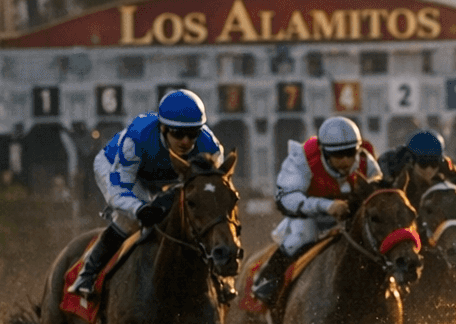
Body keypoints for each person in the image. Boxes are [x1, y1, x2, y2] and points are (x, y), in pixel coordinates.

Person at [71, 88, 223, 298]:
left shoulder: (211, 148)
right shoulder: (138, 138)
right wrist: (139, 209)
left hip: (163, 177)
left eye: (192, 133)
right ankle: (87, 275)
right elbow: (118, 191)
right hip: (117, 170)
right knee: (131, 220)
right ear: (163, 128)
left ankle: (219, 278)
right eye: (178, 134)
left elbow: (211, 192)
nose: (186, 141)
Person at [250, 116, 383, 307]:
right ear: (323, 152)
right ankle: (267, 281)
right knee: (300, 237)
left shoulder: (366, 162)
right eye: (338, 155)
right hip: (310, 218)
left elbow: (379, 195)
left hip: (351, 217)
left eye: (350, 153)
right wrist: (326, 206)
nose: (346, 161)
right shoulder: (302, 159)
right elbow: (286, 198)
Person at [378, 129, 456, 192]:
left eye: (434, 164)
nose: (429, 170)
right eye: (423, 163)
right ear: (411, 161)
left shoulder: (448, 170)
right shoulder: (393, 169)